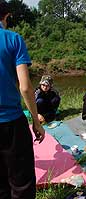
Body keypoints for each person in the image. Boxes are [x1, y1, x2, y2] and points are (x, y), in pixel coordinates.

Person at [0, 1, 45, 198]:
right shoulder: (13, 39)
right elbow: (25, 87)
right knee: (21, 183)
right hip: (11, 124)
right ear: (6, 16)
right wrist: (36, 121)